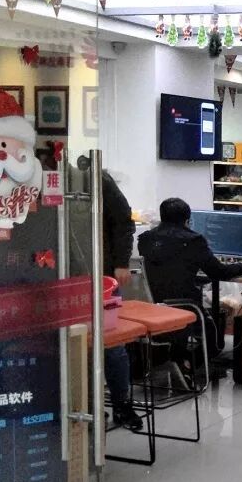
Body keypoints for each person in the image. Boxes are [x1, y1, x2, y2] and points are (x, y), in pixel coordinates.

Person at [138, 198, 242, 372]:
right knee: (215, 342)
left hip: (154, 306)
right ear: (187, 220)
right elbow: (218, 272)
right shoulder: (193, 240)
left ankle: (178, 360)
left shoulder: (145, 238)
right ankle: (186, 367)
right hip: (185, 306)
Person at [102, 172, 143, 432]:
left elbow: (124, 222)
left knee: (112, 344)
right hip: (62, 276)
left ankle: (122, 404)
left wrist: (121, 263)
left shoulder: (96, 178)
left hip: (104, 276)